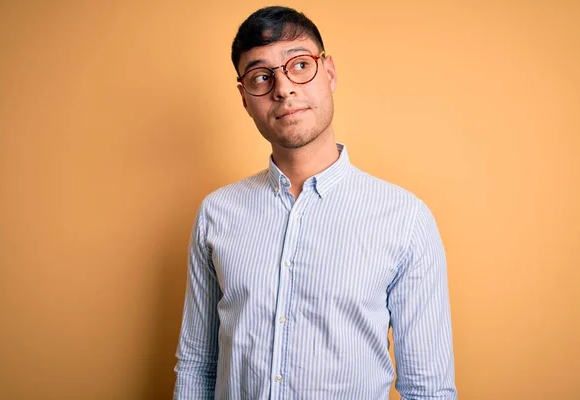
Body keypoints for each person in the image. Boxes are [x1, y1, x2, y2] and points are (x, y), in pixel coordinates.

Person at [174, 6, 457, 400]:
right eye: (261, 76)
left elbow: (428, 389)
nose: (284, 88)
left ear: (329, 72)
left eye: (300, 65)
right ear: (244, 97)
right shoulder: (216, 214)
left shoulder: (405, 219)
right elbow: (196, 365)